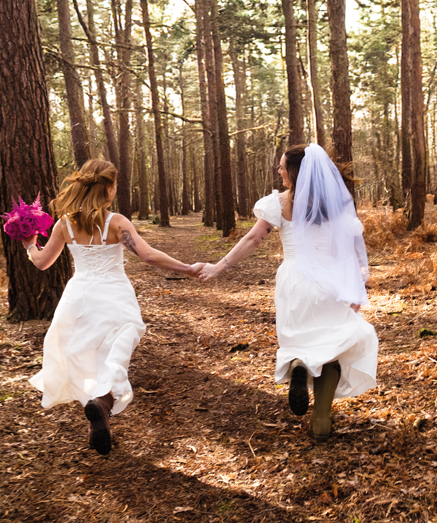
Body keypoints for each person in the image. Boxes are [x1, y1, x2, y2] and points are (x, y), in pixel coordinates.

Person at [199, 143, 377, 438]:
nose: (279, 171)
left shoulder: (279, 203)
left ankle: (297, 364)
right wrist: (355, 287)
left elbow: (253, 239)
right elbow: (345, 250)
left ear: (295, 171)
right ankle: (321, 421)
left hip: (294, 280)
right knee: (333, 346)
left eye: (282, 166)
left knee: (302, 341)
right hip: (330, 283)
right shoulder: (333, 205)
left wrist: (220, 265)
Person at [25, 158, 200, 454]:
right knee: (115, 349)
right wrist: (188, 267)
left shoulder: (64, 224)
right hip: (113, 294)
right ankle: (103, 402)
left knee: (83, 353)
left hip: (78, 296)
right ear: (108, 188)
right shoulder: (116, 223)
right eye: (115, 184)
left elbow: (42, 262)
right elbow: (147, 256)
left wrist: (29, 244)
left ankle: (100, 405)